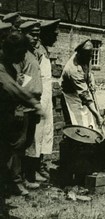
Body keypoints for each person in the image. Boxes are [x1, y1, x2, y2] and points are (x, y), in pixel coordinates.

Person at [0, 32, 43, 218]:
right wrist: (32, 103)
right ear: (12, 50)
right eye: (21, 53)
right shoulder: (1, 66)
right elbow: (13, 88)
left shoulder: (9, 63)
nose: (23, 57)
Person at [25, 19, 60, 180]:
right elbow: (28, 76)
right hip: (37, 96)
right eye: (54, 34)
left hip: (46, 97)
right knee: (36, 134)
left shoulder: (44, 50)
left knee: (45, 131)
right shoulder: (35, 51)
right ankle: (31, 169)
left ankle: (40, 164)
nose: (57, 36)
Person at [13, 21, 43, 190]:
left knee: (27, 143)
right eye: (32, 34)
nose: (35, 37)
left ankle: (24, 177)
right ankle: (16, 181)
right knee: (19, 144)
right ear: (22, 34)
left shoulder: (33, 53)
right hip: (22, 106)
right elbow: (16, 83)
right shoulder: (20, 54)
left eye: (37, 34)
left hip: (33, 105)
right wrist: (18, 108)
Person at [61, 40, 103, 130]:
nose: (90, 57)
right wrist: (98, 115)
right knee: (80, 121)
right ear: (80, 53)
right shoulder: (73, 69)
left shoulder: (86, 57)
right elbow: (85, 96)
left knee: (89, 117)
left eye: (90, 54)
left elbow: (89, 71)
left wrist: (91, 81)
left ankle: (91, 131)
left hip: (82, 88)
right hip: (71, 94)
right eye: (88, 55)